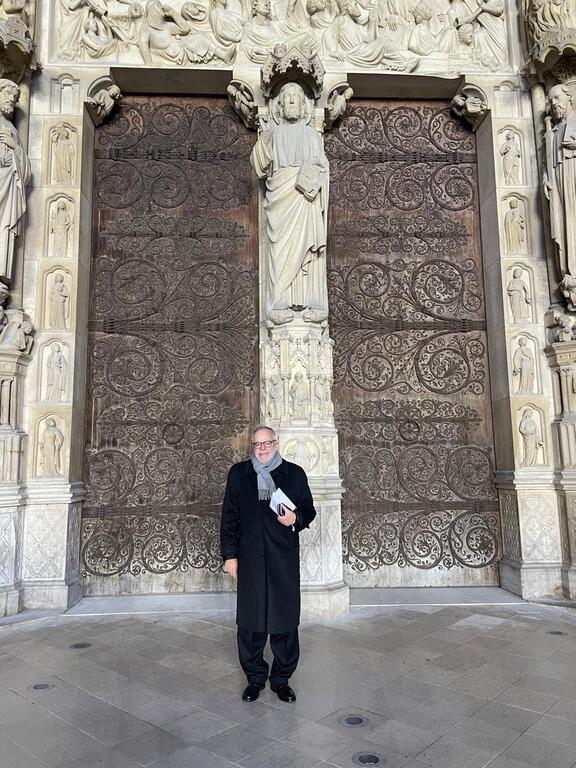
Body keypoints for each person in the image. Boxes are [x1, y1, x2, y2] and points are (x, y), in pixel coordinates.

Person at [220, 425, 316, 702]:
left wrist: (295, 519)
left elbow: (308, 509)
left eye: (267, 443)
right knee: (251, 622)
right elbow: (229, 517)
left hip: (282, 560)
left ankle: (281, 679)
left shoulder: (294, 474)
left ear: (276, 443)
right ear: (253, 447)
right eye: (257, 444)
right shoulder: (239, 475)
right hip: (249, 559)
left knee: (284, 620)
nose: (262, 448)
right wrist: (230, 555)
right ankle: (255, 678)